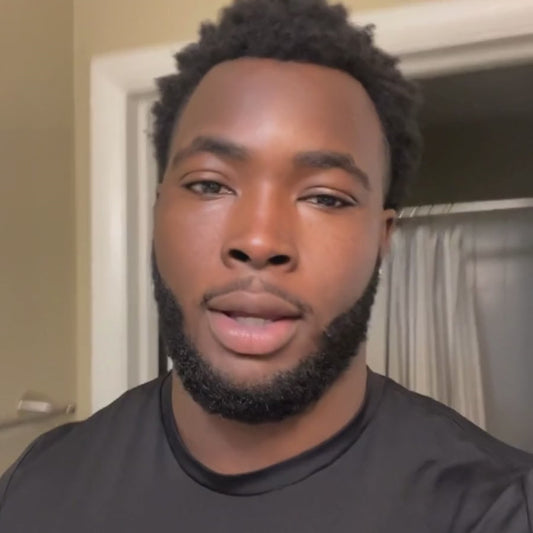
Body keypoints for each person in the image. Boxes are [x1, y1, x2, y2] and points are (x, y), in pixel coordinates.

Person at [1, 0, 532, 530]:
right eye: (209, 185)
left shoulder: (497, 508)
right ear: (158, 213)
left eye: (325, 197)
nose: (258, 241)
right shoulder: (38, 482)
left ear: (382, 239)